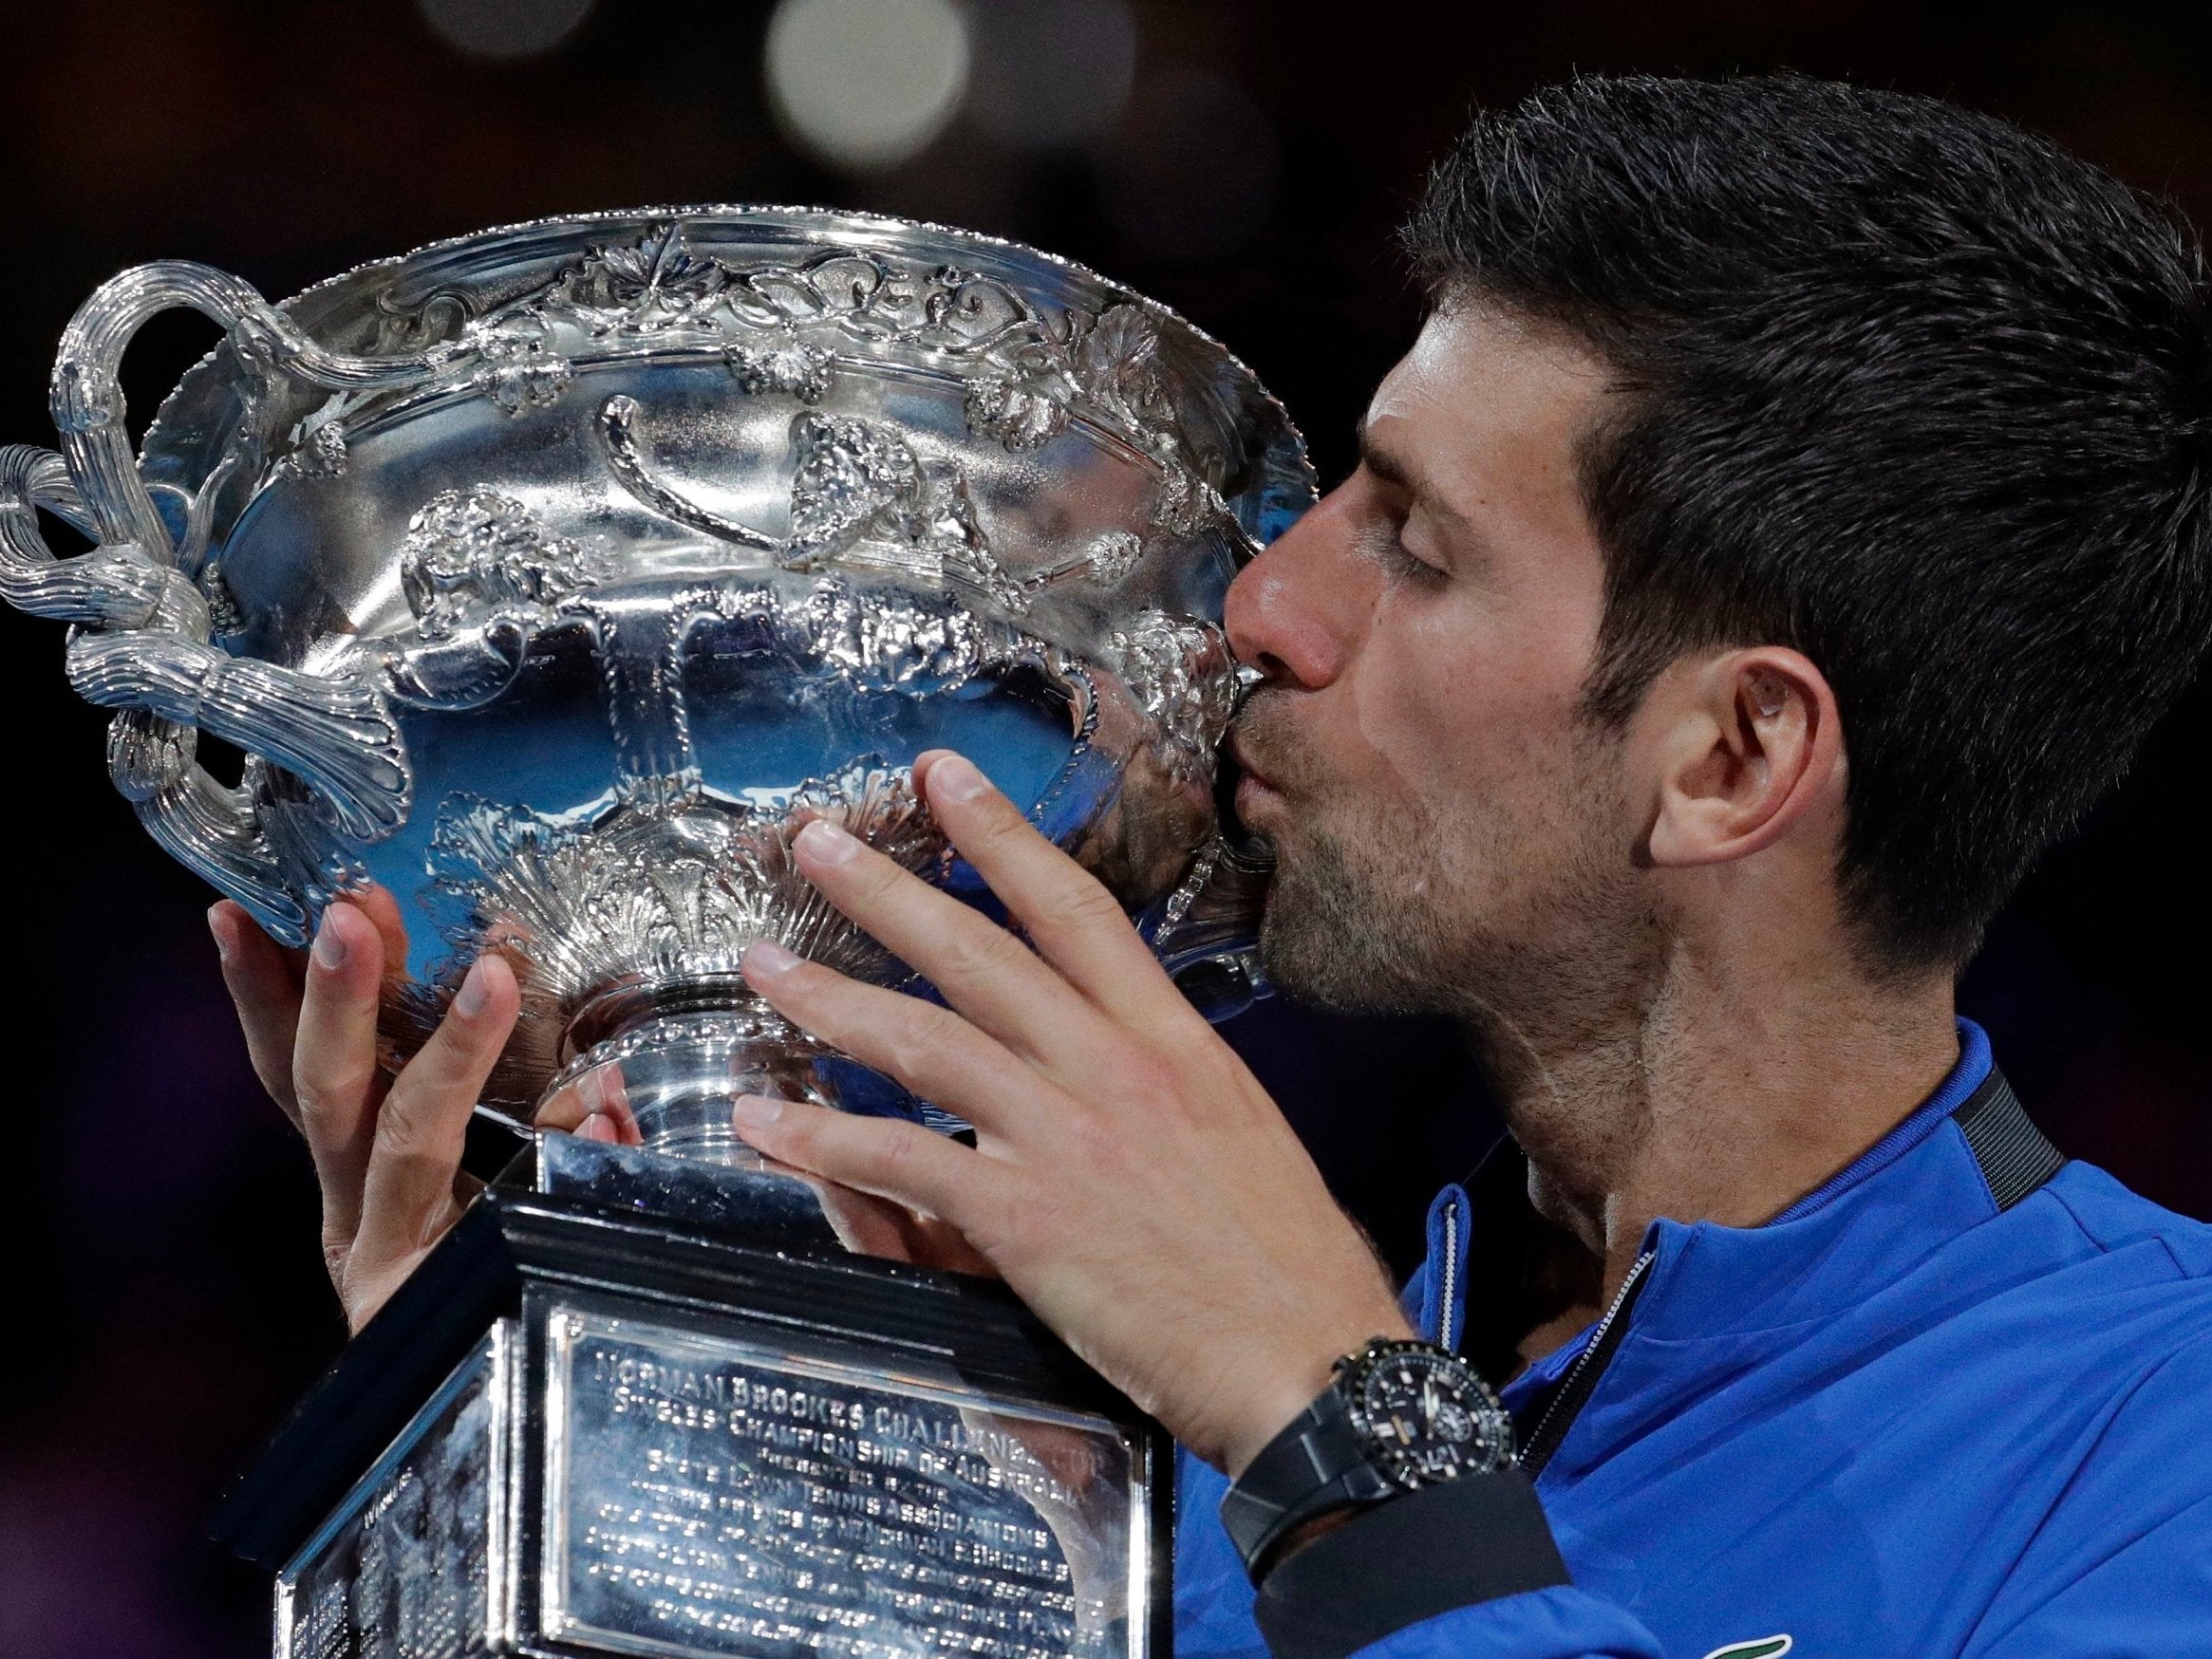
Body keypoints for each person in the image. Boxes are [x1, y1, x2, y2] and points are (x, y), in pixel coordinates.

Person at [206, 72, 2212, 1659]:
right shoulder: (1144, 1430)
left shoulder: (2156, 1441)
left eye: (1411, 543)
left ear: (1730, 754)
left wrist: (1339, 1432)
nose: (1266, 600)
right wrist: (547, 1418)